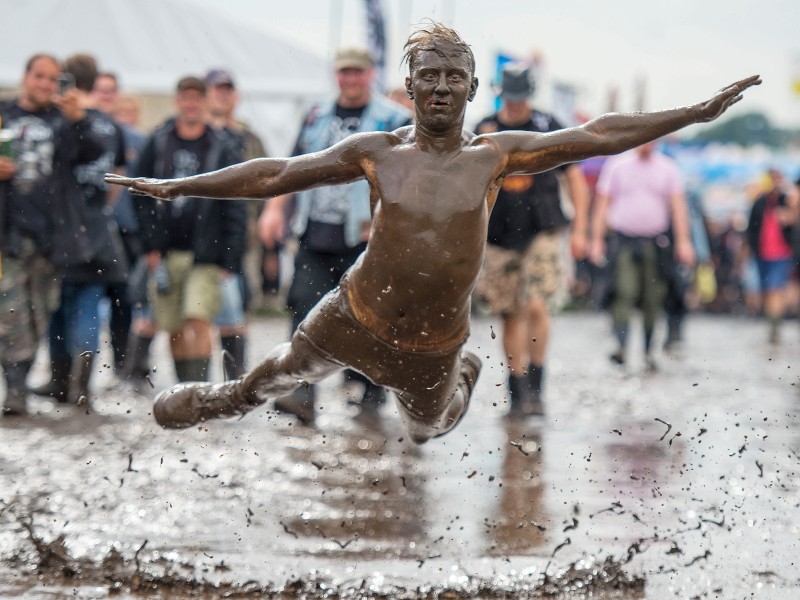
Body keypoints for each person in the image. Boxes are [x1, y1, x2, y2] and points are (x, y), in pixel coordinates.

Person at [107, 23, 759, 444]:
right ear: (410, 89)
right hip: (355, 311)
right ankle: (222, 397)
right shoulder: (376, 151)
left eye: (454, 78)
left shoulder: (494, 155)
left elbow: (594, 136)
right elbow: (277, 172)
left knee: (428, 429)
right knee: (279, 372)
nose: (442, 87)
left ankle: (467, 377)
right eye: (430, 77)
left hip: (434, 342)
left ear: (473, 89)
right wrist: (180, 185)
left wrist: (693, 113)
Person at [256, 47, 411, 424]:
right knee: (304, 308)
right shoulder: (315, 115)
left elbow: (410, 180)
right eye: (344, 72)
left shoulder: (394, 119)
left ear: (370, 74)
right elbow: (292, 168)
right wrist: (274, 209)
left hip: (367, 238)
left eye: (357, 72)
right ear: (336, 75)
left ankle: (367, 394)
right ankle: (301, 393)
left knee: (369, 319)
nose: (351, 79)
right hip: (315, 233)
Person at [474, 63, 589, 417]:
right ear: (500, 94)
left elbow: (575, 179)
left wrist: (580, 229)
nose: (517, 104)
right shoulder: (485, 130)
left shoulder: (546, 125)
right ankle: (518, 388)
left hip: (541, 228)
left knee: (537, 305)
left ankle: (538, 384)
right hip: (498, 234)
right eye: (511, 97)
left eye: (522, 97)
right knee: (510, 312)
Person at [0, 53, 104, 416]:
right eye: (38, 76)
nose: (44, 84)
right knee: (9, 310)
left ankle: (21, 380)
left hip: (50, 237)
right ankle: (15, 389)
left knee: (38, 314)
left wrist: (78, 116)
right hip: (8, 233)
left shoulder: (64, 121)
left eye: (51, 79)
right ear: (26, 77)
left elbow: (96, 151)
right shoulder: (4, 113)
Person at [130, 76, 247, 383]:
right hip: (166, 251)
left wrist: (230, 258)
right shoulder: (159, 140)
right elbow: (138, 192)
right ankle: (185, 389)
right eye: (186, 97)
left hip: (206, 252)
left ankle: (199, 391)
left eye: (198, 97)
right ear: (177, 100)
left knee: (198, 319)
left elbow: (236, 203)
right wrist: (149, 246)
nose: (191, 103)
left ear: (206, 101)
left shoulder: (222, 146)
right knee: (174, 325)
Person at [30, 54, 129, 407]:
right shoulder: (111, 126)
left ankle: (61, 382)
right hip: (100, 228)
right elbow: (118, 178)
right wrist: (99, 207)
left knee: (61, 305)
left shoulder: (64, 120)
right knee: (88, 304)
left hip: (66, 228)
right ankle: (81, 386)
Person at [589, 141, 695, 370]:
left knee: (653, 298)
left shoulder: (668, 168)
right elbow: (602, 203)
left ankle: (648, 351)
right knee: (623, 292)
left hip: (655, 243)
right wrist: (596, 240)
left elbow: (678, 207)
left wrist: (684, 242)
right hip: (624, 241)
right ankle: (621, 347)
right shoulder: (617, 165)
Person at [205, 67, 268, 378]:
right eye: (216, 89)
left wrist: (261, 221)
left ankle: (235, 377)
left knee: (237, 307)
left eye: (227, 90)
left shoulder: (249, 138)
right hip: (200, 237)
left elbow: (268, 184)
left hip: (241, 238)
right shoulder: (193, 132)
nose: (222, 95)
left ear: (236, 96)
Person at [745, 169, 799, 344]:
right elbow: (751, 228)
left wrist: (789, 216)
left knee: (775, 289)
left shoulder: (786, 200)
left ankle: (775, 328)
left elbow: (795, 219)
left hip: (782, 253)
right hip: (762, 253)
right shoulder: (760, 202)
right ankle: (773, 324)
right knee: (768, 290)